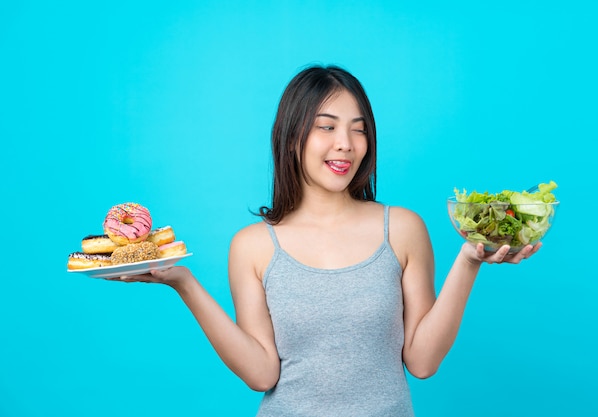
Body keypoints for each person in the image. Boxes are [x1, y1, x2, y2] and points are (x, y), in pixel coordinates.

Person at [109, 65, 540, 416]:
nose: (345, 145)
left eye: (358, 129)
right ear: (292, 136)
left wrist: (468, 261)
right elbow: (262, 374)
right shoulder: (253, 246)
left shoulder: (403, 228)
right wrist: (184, 283)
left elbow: (422, 362)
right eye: (326, 127)